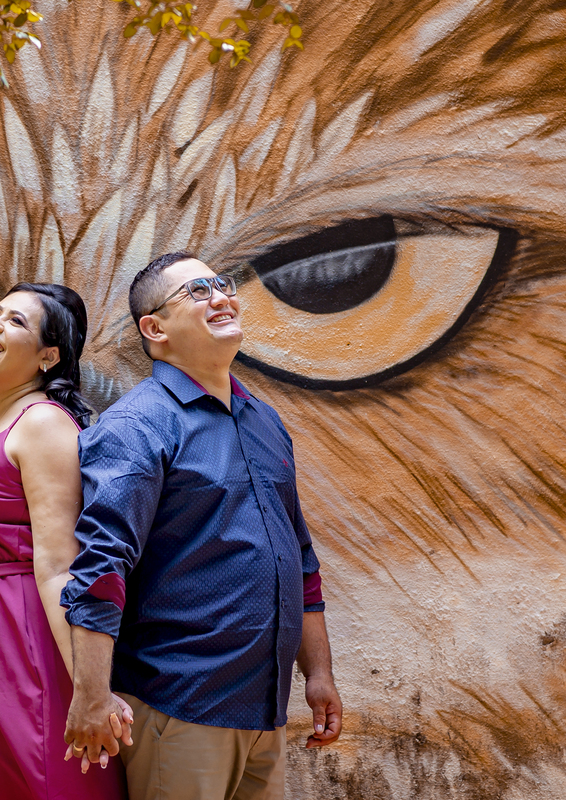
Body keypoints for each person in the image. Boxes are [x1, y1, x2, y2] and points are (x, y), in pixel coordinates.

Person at [60, 253, 343, 800]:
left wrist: (318, 674)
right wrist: (91, 694)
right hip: (180, 706)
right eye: (196, 292)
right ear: (155, 329)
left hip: (267, 710)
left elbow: (300, 560)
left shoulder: (264, 420)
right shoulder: (137, 425)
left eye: (222, 285)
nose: (220, 297)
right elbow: (100, 567)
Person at [0, 283, 130, 800]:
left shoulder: (40, 423)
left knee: (40, 779)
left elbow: (61, 563)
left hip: (20, 641)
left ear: (49, 356)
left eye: (16, 321)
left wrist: (90, 691)